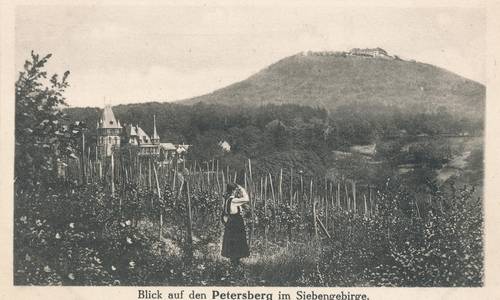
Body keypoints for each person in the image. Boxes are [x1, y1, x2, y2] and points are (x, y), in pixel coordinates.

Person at [221, 183, 250, 268]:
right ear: (233, 191)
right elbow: (246, 199)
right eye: (235, 190)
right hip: (236, 222)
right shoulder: (233, 200)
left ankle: (234, 263)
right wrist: (242, 189)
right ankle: (236, 264)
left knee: (232, 242)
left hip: (230, 222)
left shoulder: (227, 199)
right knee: (237, 242)